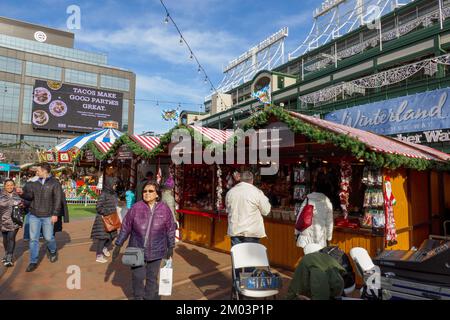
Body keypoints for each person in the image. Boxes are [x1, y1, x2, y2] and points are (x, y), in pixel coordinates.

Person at [112, 181, 176, 300]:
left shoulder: (164, 209)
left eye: (150, 191)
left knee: (152, 279)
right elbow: (125, 227)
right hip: (137, 249)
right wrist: (118, 245)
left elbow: (170, 229)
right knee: (137, 277)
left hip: (157, 250)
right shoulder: (136, 207)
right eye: (145, 191)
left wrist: (171, 247)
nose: (146, 193)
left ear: (157, 194)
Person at [17, 163, 63, 273]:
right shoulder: (34, 183)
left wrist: (55, 214)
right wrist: (22, 193)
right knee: (33, 239)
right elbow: (30, 196)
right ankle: (33, 261)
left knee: (48, 238)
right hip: (34, 215)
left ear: (44, 171)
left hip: (48, 215)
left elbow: (58, 199)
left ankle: (52, 250)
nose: (36, 172)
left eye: (38, 170)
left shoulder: (55, 183)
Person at [225, 171, 271, 246]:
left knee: (238, 256)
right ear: (252, 180)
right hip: (251, 232)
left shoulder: (230, 192)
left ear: (240, 179)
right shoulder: (257, 192)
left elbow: (228, 209)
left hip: (235, 231)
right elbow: (266, 211)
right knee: (250, 257)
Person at [295, 181, 334, 249]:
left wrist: (296, 233)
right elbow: (329, 223)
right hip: (319, 239)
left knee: (307, 258)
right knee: (317, 259)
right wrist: (328, 238)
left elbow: (299, 217)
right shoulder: (328, 204)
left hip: (305, 236)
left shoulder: (307, 200)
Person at [90, 177, 119, 263]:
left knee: (113, 236)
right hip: (103, 219)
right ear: (110, 184)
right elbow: (98, 207)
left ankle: (104, 248)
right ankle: (99, 255)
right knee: (102, 238)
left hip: (111, 218)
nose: (115, 186)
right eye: (114, 184)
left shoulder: (113, 194)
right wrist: (108, 212)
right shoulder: (103, 194)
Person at [0, 179, 23, 267]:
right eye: (7, 185)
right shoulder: (0, 195)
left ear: (14, 186)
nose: (9, 187)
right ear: (4, 186)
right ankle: (6, 254)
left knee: (11, 238)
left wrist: (23, 204)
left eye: (11, 185)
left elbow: (26, 203)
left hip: (14, 221)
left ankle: (9, 258)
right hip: (3, 221)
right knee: (5, 240)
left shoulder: (18, 195)